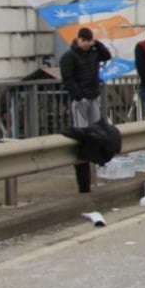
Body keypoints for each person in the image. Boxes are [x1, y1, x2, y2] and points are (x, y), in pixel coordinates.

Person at [59, 26, 112, 192]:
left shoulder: (93, 52)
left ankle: (95, 164)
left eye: (90, 42)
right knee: (82, 132)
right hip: (81, 98)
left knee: (96, 130)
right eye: (85, 41)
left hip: (93, 95)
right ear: (79, 40)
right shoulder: (69, 57)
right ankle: (85, 175)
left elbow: (107, 55)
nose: (88, 45)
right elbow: (68, 78)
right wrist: (79, 96)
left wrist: (97, 44)